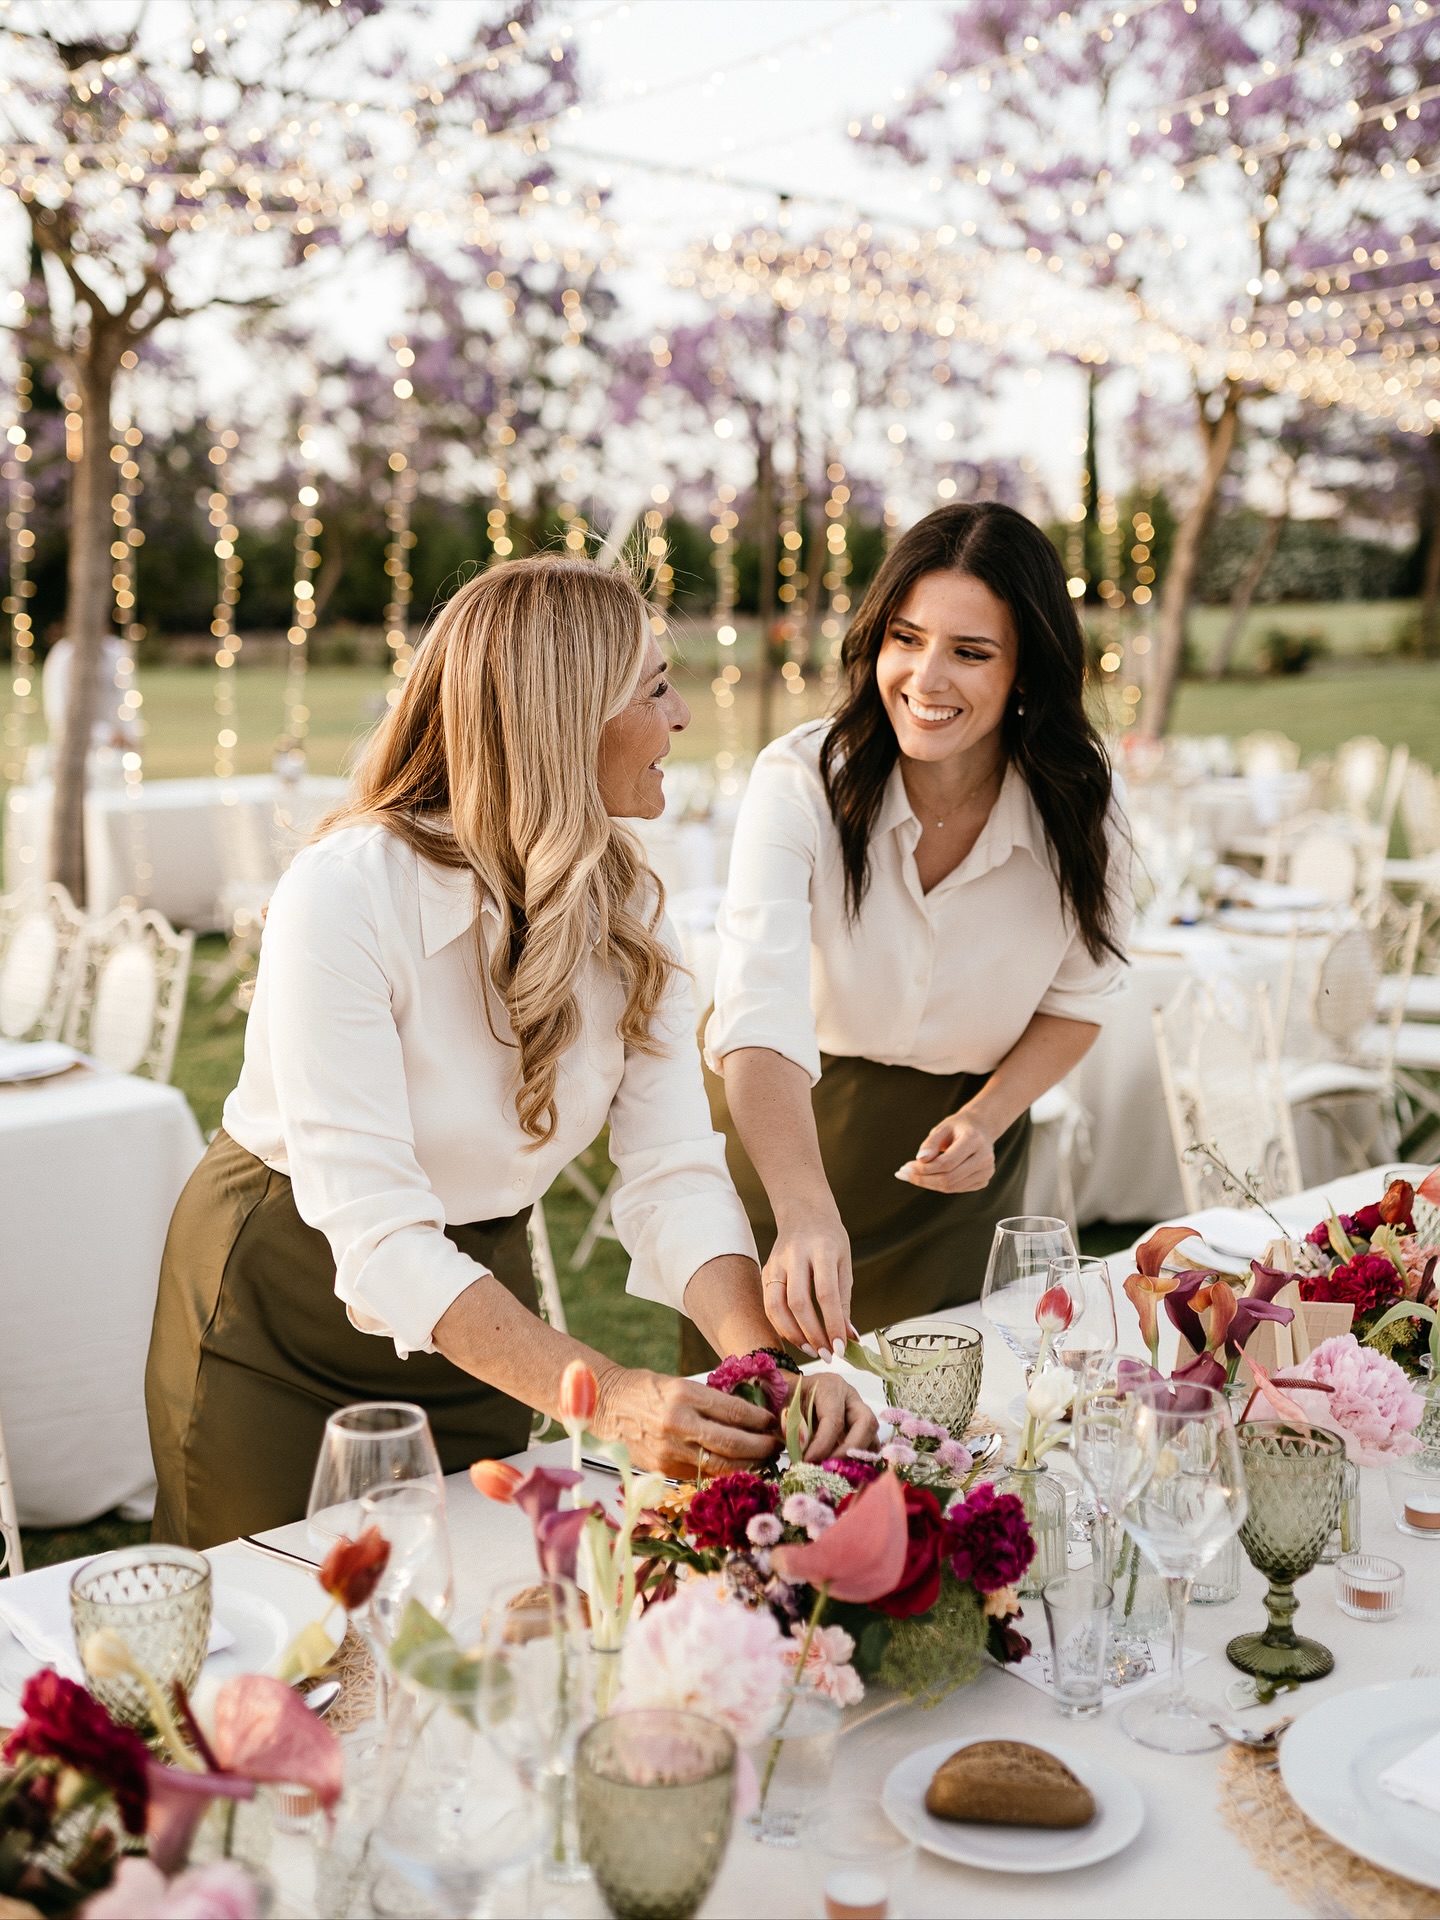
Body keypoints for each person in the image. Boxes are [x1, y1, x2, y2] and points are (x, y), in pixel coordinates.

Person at [147, 557, 874, 1550]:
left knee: (471, 1594)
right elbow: (377, 1232)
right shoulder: (345, 892)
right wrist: (609, 1394)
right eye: (655, 689)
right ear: (564, 720)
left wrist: (766, 1373)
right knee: (279, 1627)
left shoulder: (631, 906)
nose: (681, 716)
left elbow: (672, 1171)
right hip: (277, 1311)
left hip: (482, 1313)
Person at [688, 501, 1131, 1371]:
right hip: (784, 1138)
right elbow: (755, 1012)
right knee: (759, 1426)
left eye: (971, 652)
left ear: (1027, 672)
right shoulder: (799, 780)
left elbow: (1079, 1001)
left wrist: (986, 1118)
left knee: (948, 1423)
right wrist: (803, 1210)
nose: (926, 678)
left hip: (958, 1174)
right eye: (906, 638)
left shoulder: (1083, 810)